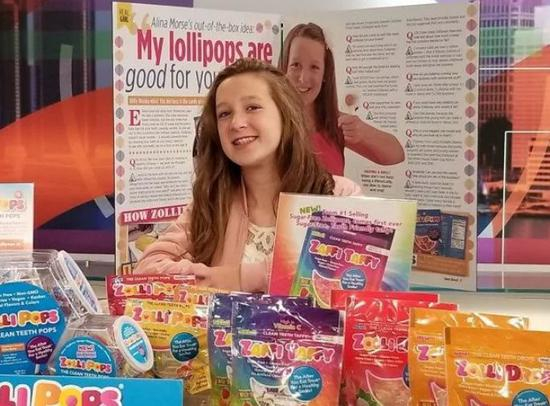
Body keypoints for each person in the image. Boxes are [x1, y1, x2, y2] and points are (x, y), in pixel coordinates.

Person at [134, 58, 362, 292]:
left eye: (252, 107)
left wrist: (238, 278)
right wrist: (202, 276)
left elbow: (352, 279)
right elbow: (145, 271)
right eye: (224, 113)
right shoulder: (211, 202)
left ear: (285, 114)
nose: (236, 123)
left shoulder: (340, 196)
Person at [279, 23, 405, 176]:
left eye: (314, 67)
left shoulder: (335, 124)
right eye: (295, 65)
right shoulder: (269, 123)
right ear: (284, 68)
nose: (303, 78)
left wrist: (363, 132)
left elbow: (396, 154)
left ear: (325, 74)